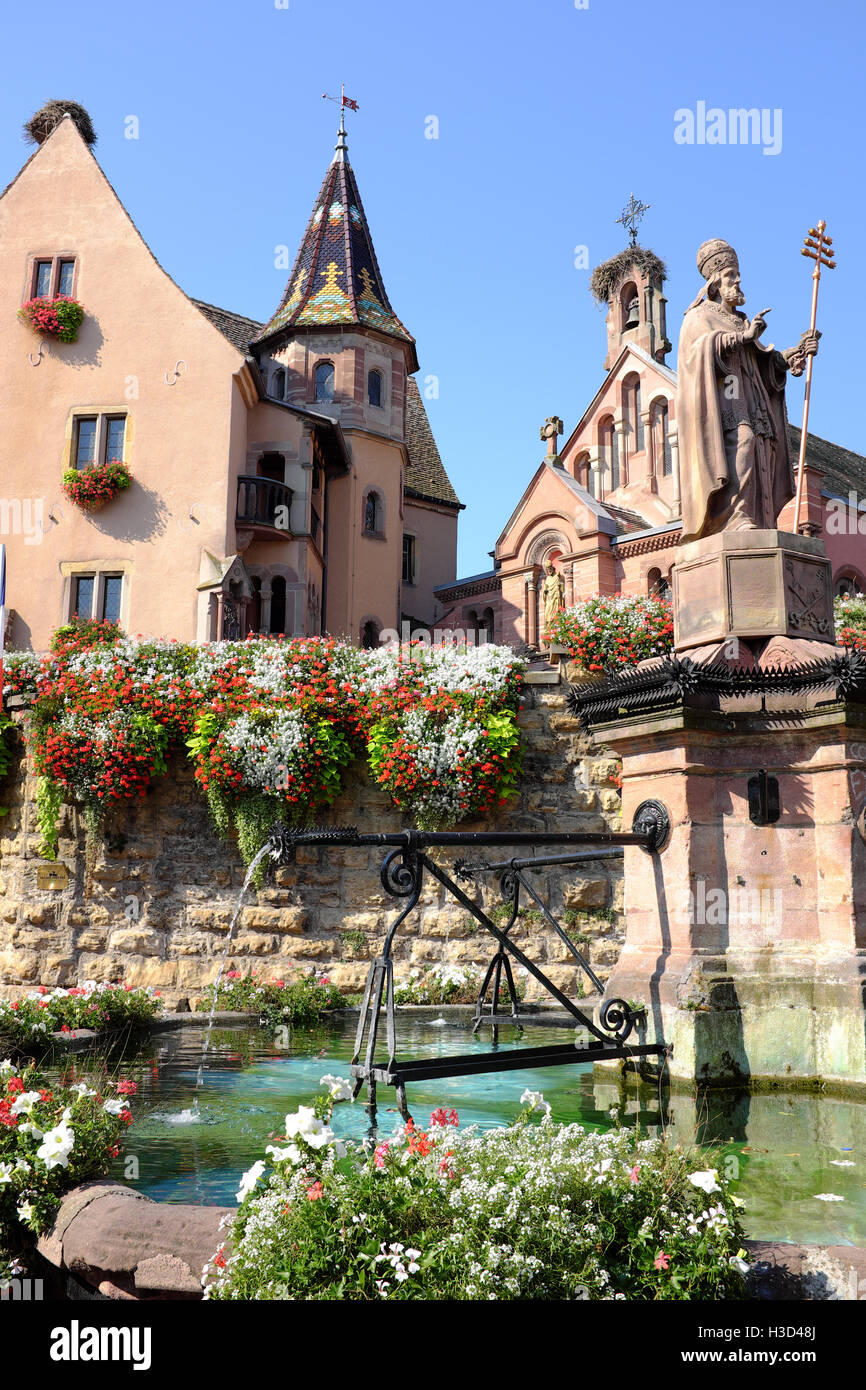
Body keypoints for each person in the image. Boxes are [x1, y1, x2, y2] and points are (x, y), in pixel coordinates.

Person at [678, 239, 820, 541]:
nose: (738, 280)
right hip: (725, 403)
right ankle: (735, 516)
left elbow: (763, 366)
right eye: (731, 275)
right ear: (716, 282)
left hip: (753, 401)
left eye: (737, 274)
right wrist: (742, 338)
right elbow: (697, 354)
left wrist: (793, 353)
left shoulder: (741, 320)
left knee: (760, 449)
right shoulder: (698, 317)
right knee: (741, 445)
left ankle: (760, 519)